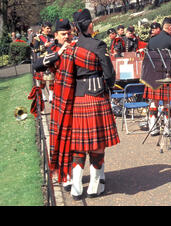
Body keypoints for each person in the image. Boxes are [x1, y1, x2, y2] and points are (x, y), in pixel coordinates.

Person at [49, 9, 120, 201]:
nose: (93, 24)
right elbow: (108, 73)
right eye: (91, 22)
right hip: (96, 98)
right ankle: (95, 186)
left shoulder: (71, 47)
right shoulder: (98, 45)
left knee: (78, 146)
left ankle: (77, 188)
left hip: (78, 99)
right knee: (97, 145)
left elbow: (65, 74)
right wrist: (109, 87)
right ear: (88, 24)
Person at [32, 19, 73, 190]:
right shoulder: (53, 49)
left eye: (69, 33)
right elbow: (37, 65)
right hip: (60, 100)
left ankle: (79, 174)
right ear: (56, 35)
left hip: (77, 99)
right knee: (60, 140)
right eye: (64, 34)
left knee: (75, 140)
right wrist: (59, 53)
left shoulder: (76, 46)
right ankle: (65, 175)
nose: (67, 36)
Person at [144, 17, 171, 136]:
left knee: (153, 102)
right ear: (170, 27)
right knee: (166, 102)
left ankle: (153, 127)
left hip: (152, 74)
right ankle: (167, 128)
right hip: (165, 74)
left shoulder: (152, 40)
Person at [32, 22, 55, 102]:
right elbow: (35, 50)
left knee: (52, 79)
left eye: (50, 28)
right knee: (43, 80)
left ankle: (51, 96)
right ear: (43, 28)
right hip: (43, 61)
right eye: (47, 28)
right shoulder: (38, 38)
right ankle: (43, 95)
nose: (49, 30)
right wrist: (44, 46)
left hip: (51, 59)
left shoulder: (53, 37)